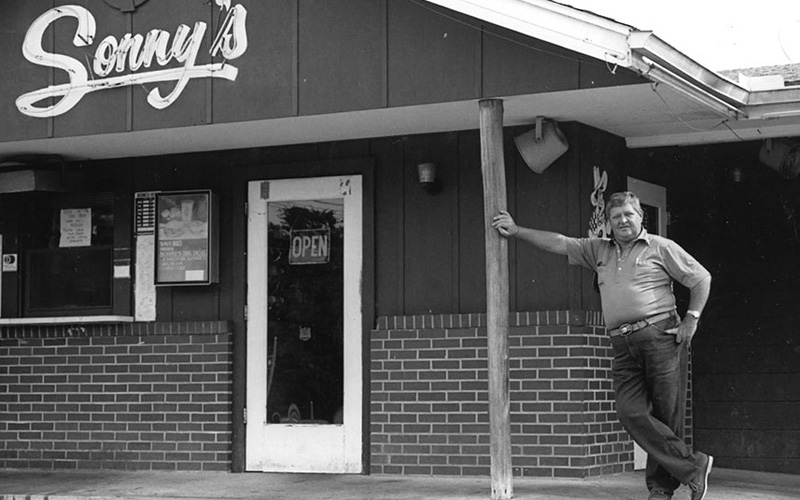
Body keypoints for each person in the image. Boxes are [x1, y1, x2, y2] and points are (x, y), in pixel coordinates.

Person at [492, 191, 713, 500]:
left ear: (640, 217)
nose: (623, 220)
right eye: (616, 216)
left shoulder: (661, 248)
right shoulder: (598, 250)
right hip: (622, 344)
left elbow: (701, 278)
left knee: (666, 416)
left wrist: (692, 318)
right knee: (629, 411)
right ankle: (693, 467)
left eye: (629, 214)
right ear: (608, 223)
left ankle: (661, 489)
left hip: (661, 336)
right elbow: (559, 242)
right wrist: (517, 231)